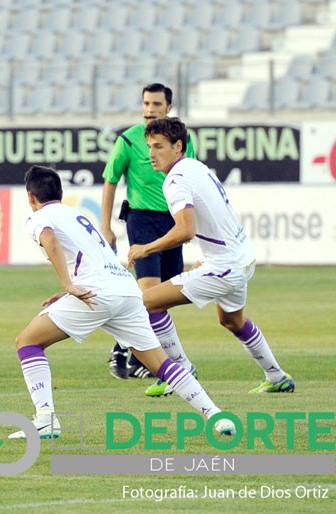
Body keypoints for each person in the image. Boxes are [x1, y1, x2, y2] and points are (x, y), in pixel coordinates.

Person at [9, 165, 234, 439]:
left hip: (96, 294)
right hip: (126, 290)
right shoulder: (75, 214)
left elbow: (50, 240)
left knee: (27, 342)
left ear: (31, 197)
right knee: (160, 364)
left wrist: (68, 285)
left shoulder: (38, 217)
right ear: (61, 192)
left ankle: (45, 418)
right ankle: (215, 414)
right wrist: (69, 291)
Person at [128, 117, 294, 395]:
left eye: (158, 146)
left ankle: (179, 370)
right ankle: (276, 376)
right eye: (149, 146)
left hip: (225, 266)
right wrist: (209, 254)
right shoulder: (195, 167)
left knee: (148, 302)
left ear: (178, 146)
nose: (151, 154)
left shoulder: (174, 180)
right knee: (232, 321)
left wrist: (146, 247)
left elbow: (185, 230)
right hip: (241, 257)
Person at [101, 83, 196, 398]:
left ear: (169, 107)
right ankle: (124, 351)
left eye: (156, 103)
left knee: (163, 297)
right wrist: (106, 225)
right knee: (149, 293)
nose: (150, 108)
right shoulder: (128, 140)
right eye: (146, 103)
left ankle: (140, 354)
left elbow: (190, 176)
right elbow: (111, 180)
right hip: (141, 220)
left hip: (172, 221)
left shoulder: (183, 140)